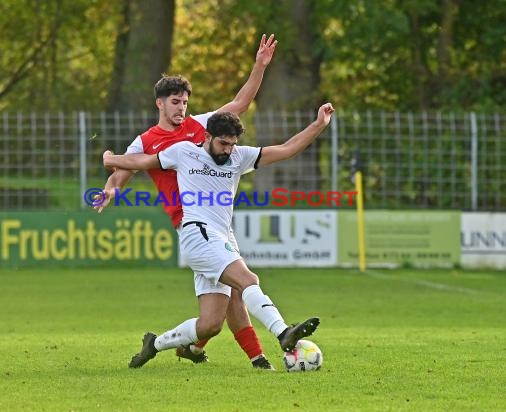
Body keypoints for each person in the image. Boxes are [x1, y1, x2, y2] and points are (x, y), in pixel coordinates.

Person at [102, 102, 335, 369]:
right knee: (248, 279)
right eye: (223, 143)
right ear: (207, 137)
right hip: (196, 234)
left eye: (232, 144)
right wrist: (112, 160)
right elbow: (143, 161)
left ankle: (153, 344)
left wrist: (318, 125)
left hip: (220, 237)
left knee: (211, 324)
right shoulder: (184, 152)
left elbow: (286, 149)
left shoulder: (238, 156)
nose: (228, 150)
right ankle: (283, 332)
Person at [95, 34, 278, 369]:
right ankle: (262, 352)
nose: (182, 108)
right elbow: (124, 169)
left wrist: (259, 66)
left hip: (216, 222)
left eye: (184, 102)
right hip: (191, 224)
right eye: (175, 102)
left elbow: (239, 104)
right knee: (237, 286)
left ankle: (240, 355)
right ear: (160, 104)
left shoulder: (200, 126)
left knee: (224, 304)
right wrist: (109, 190)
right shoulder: (146, 140)